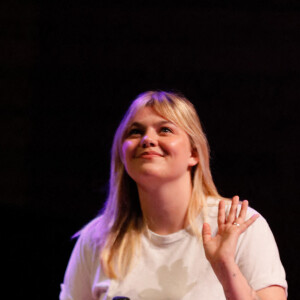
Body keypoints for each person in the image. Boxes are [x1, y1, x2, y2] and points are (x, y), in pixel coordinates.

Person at [60, 91, 287, 300]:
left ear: (194, 153)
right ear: (122, 154)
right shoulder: (97, 238)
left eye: (165, 130)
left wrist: (226, 267)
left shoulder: (239, 225)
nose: (147, 140)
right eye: (135, 131)